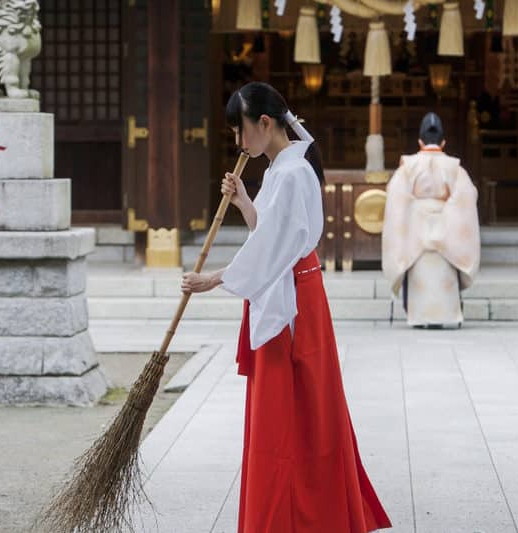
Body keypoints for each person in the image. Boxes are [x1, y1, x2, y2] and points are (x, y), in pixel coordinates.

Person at [181, 82, 391, 533]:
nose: (239, 144)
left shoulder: (293, 172)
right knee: (297, 410)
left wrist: (214, 279)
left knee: (293, 412)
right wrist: (243, 202)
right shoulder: (282, 167)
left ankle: (291, 517)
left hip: (293, 298)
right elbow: (272, 234)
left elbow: (276, 248)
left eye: (240, 132)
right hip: (289, 286)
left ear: (264, 123)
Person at [381, 112, 480, 328]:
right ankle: (447, 315)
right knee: (443, 274)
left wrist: (416, 214)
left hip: (415, 233)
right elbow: (468, 196)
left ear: (419, 141)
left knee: (420, 274)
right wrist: (444, 217)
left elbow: (396, 197)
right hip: (448, 233)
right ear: (443, 142)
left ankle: (418, 316)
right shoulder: (454, 168)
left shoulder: (408, 167)